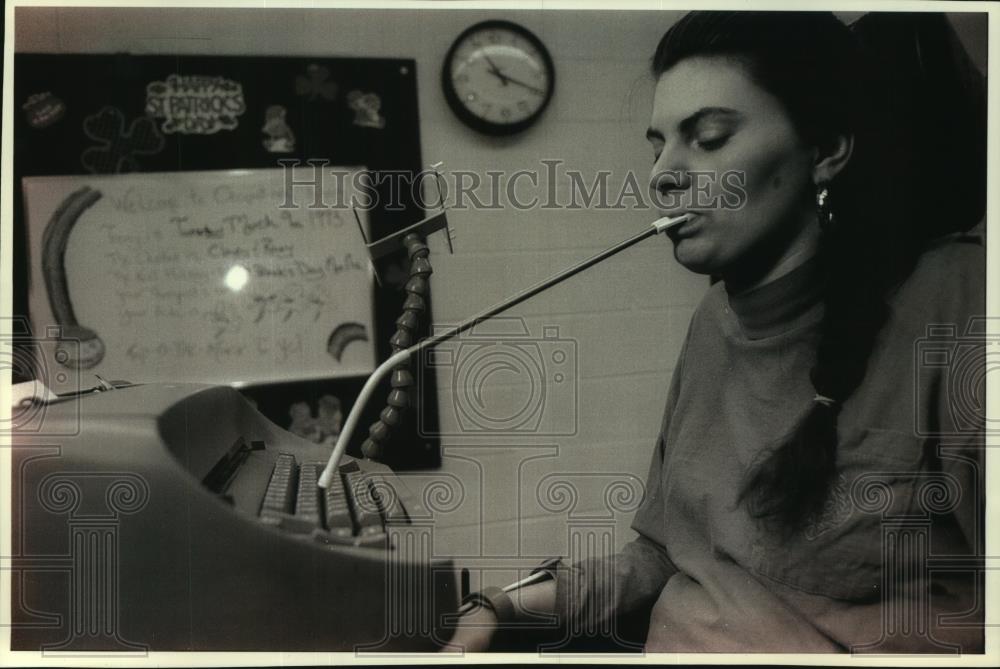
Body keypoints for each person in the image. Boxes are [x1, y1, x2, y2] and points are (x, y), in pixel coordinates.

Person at [443, 10, 986, 653]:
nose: (662, 175)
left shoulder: (959, 299)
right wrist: (506, 606)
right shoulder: (713, 322)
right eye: (658, 145)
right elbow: (669, 552)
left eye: (708, 137)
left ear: (826, 150)